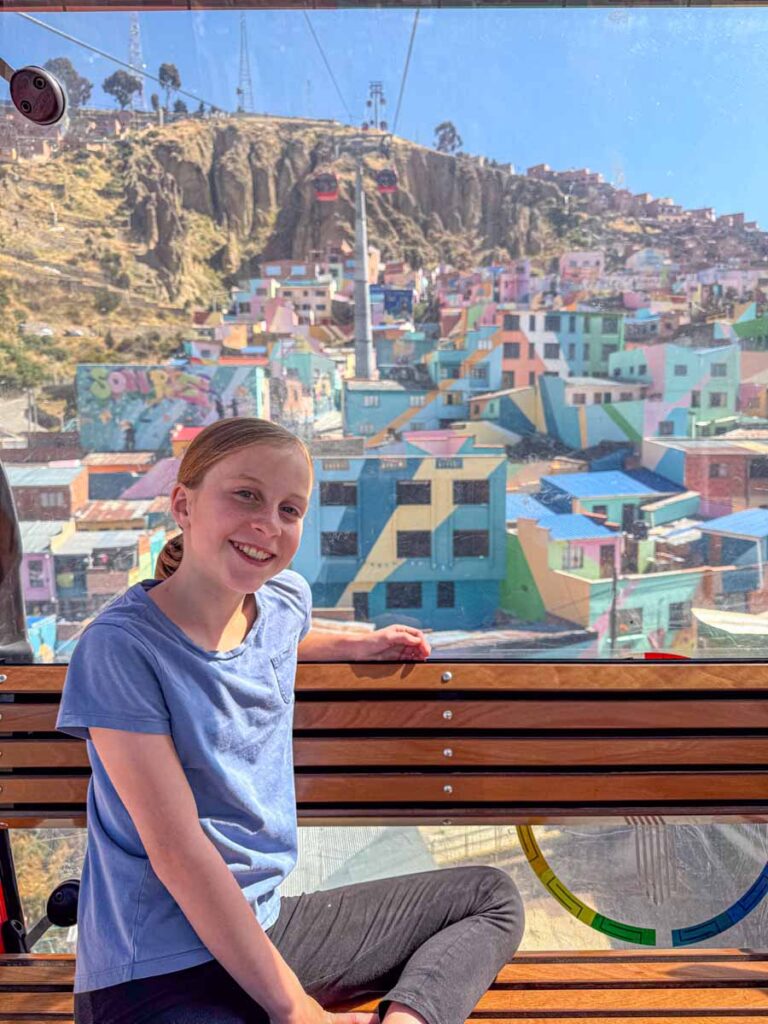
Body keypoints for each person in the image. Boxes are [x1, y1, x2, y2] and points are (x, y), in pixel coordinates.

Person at [56, 417, 524, 1024]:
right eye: (245, 495)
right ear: (183, 504)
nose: (267, 524)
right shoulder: (121, 648)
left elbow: (286, 633)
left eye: (289, 508)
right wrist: (296, 1010)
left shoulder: (281, 602)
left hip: (266, 926)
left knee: (491, 898)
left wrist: (359, 643)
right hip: (156, 965)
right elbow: (176, 851)